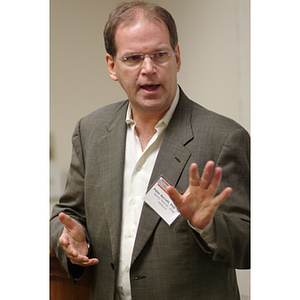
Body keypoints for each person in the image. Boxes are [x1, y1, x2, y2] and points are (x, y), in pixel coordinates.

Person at [50, 1, 250, 299]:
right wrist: (68, 238)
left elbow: (250, 247)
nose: (148, 69)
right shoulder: (90, 131)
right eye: (132, 58)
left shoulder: (223, 137)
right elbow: (66, 214)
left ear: (177, 57)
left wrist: (208, 225)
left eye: (160, 55)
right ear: (112, 65)